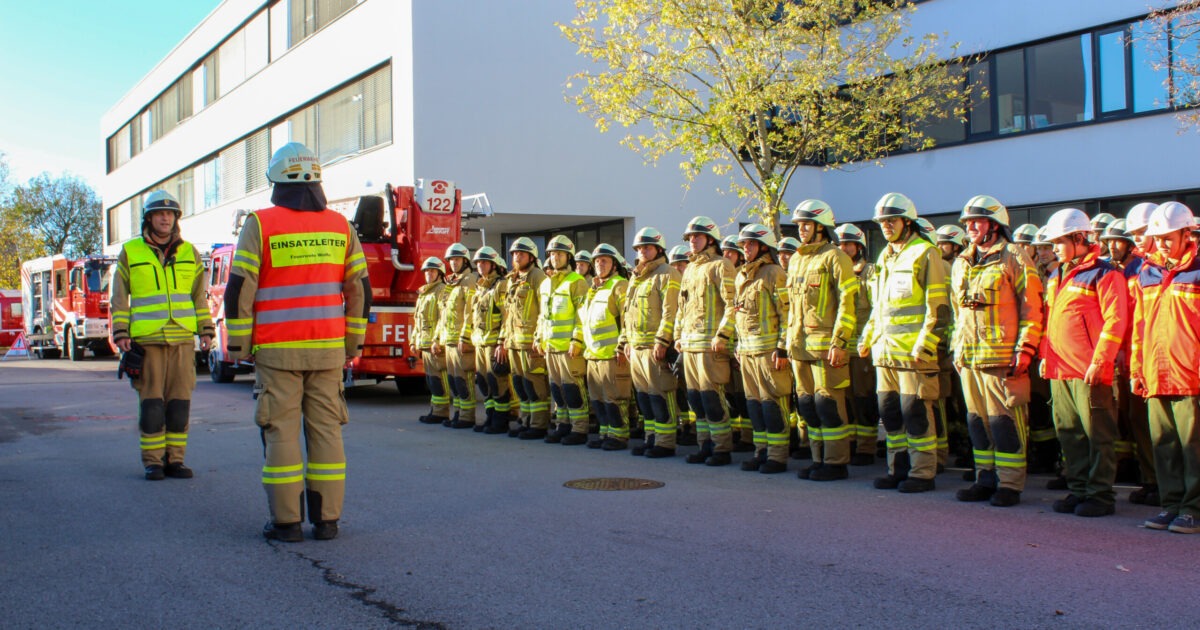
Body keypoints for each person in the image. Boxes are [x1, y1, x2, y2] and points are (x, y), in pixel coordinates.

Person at [224, 142, 370, 542]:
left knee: (281, 433)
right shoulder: (340, 226)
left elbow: (240, 289)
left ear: (276, 180)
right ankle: (328, 522)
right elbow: (360, 289)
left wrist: (238, 346)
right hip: (327, 351)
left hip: (276, 351)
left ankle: (286, 523)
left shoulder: (260, 223)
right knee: (327, 433)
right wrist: (353, 344)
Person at [111, 190, 214, 481]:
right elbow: (119, 297)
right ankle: (153, 462)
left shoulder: (189, 252)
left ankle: (176, 461)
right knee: (152, 405)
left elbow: (199, 297)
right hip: (148, 340)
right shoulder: (131, 251)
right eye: (159, 214)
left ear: (176, 219)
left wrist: (206, 329)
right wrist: (121, 332)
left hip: (182, 339)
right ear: (149, 218)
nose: (165, 218)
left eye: (170, 214)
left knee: (180, 403)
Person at [949, 194, 1043, 507]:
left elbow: (1031, 307)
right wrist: (956, 350)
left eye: (977, 221)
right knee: (977, 422)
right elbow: (957, 312)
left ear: (995, 225)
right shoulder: (962, 261)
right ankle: (985, 478)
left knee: (1005, 423)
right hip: (970, 359)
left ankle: (1010, 484)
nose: (971, 226)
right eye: (967, 222)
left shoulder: (1014, 257)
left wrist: (1025, 349)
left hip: (1002, 359)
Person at [1038, 208, 1127, 518]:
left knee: (1097, 435)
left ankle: (1100, 495)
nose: (1053, 249)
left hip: (1090, 371)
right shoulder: (1056, 274)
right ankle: (1078, 489)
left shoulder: (1105, 273)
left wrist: (1099, 363)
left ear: (1079, 239)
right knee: (1070, 434)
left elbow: (1116, 322)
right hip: (1060, 369)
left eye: (1059, 243)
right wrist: (1046, 357)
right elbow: (1052, 321)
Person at [860, 193, 949, 493]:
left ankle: (923, 472)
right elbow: (879, 305)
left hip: (914, 355)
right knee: (890, 414)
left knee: (916, 413)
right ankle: (896, 468)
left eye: (891, 220)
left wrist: (924, 347)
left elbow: (938, 307)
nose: (886, 226)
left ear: (907, 222)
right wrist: (867, 338)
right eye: (882, 222)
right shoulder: (884, 255)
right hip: (884, 353)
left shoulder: (925, 253)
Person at [1132, 202, 1200, 534]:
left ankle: (1193, 509)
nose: (1161, 244)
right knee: (1164, 445)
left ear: (1188, 234)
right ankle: (1171, 504)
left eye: (1167, 237)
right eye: (1157, 238)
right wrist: (1137, 370)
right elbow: (1139, 326)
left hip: (1191, 375)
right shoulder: (1148, 272)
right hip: (1156, 374)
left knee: (1193, 447)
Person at [787, 200, 858, 481]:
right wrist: (786, 344)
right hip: (799, 348)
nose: (801, 229)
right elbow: (790, 307)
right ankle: (818, 458)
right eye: (799, 225)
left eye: (806, 224)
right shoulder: (796, 259)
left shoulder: (836, 257)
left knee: (828, 405)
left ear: (821, 227)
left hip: (825, 349)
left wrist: (840, 342)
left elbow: (847, 302)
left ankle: (836, 462)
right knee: (807, 406)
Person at [718, 224, 792, 474]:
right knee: (755, 406)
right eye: (743, 245)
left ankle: (778, 456)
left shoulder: (774, 273)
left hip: (769, 352)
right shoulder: (741, 275)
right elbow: (740, 314)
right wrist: (738, 344)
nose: (745, 249)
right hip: (748, 352)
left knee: (772, 405)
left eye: (750, 244)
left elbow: (786, 314)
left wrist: (782, 348)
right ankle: (761, 451)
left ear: (763, 246)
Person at [1101, 219, 1157, 504]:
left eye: (1118, 240)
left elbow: (1138, 318)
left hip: (1140, 356)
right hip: (1123, 358)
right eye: (1109, 240)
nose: (1112, 245)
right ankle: (1148, 478)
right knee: (1132, 420)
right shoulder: (1116, 270)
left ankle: (1155, 481)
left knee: (1146, 421)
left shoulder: (1140, 270)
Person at [677, 217, 737, 466]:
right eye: (690, 238)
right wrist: (678, 335)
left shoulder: (721, 265)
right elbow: (683, 306)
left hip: (711, 346)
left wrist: (723, 335)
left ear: (710, 239)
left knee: (712, 399)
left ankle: (721, 449)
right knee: (696, 399)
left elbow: (732, 305)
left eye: (697, 237)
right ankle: (705, 445)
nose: (692, 241)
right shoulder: (690, 269)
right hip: (690, 345)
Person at [622, 227, 682, 457]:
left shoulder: (668, 274)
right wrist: (626, 340)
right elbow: (628, 313)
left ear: (658, 249)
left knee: (660, 395)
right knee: (644, 398)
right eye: (638, 249)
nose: (642, 252)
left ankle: (665, 442)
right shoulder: (636, 278)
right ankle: (650, 438)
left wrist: (663, 340)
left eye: (646, 248)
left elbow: (670, 312)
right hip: (636, 347)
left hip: (654, 348)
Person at [538, 235, 591, 445]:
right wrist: (538, 338)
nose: (554, 258)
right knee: (557, 390)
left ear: (568, 256)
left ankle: (579, 429)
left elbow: (582, 314)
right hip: (550, 346)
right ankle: (563, 425)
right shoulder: (545, 284)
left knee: (573, 390)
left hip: (569, 348)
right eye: (551, 254)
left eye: (559, 254)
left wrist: (577, 340)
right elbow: (543, 315)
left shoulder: (576, 282)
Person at [837, 223, 879, 466]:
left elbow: (875, 307)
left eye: (848, 244)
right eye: (840, 244)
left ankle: (866, 447)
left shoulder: (869, 272)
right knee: (847, 398)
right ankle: (851, 443)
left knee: (864, 398)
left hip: (863, 346)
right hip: (843, 348)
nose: (843, 248)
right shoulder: (837, 271)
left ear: (859, 246)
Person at [582, 244, 632, 450]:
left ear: (614, 265)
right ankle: (605, 433)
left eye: (604, 260)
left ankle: (619, 436)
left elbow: (627, 318)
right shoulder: (594, 288)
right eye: (597, 261)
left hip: (612, 354)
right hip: (593, 354)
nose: (599, 264)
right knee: (597, 397)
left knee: (615, 397)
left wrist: (622, 346)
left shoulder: (620, 285)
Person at [501, 238, 551, 439]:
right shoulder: (512, 279)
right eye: (514, 254)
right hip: (514, 342)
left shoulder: (538, 277)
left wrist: (539, 338)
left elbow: (544, 310)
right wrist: (505, 339)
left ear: (531, 257)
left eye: (521, 254)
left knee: (535, 384)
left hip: (530, 343)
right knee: (521, 385)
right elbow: (509, 313)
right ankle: (526, 420)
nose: (517, 257)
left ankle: (539, 425)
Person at [463, 246, 512, 434]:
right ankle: (490, 417)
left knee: (497, 381)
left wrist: (501, 342)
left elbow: (507, 316)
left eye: (484, 262)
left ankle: (501, 421)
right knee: (484, 383)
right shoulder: (480, 288)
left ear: (493, 265)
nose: (481, 266)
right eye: (479, 263)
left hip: (493, 343)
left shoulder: (501, 285)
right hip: (480, 343)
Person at [437, 243, 478, 429]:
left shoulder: (469, 281)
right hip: (449, 340)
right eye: (451, 260)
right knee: (454, 380)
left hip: (461, 340)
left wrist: (465, 337)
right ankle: (458, 413)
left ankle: (467, 417)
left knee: (464, 380)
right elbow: (443, 313)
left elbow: (470, 311)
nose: (454, 263)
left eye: (457, 259)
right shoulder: (450, 282)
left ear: (465, 261)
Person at [720, 235, 753, 451]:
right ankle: (737, 433)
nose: (726, 256)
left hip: (744, 346)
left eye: (731, 253)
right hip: (729, 348)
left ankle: (748, 438)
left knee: (745, 395)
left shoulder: (744, 276)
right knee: (732, 395)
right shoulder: (732, 276)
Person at [415, 257, 451, 425]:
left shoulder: (442, 290)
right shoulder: (424, 293)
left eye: (432, 271)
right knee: (431, 380)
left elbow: (443, 319)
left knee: (438, 380)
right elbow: (418, 320)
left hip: (435, 346)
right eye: (427, 271)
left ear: (439, 274)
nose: (429, 273)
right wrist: (413, 341)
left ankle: (441, 413)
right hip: (425, 344)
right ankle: (435, 409)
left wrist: (437, 339)